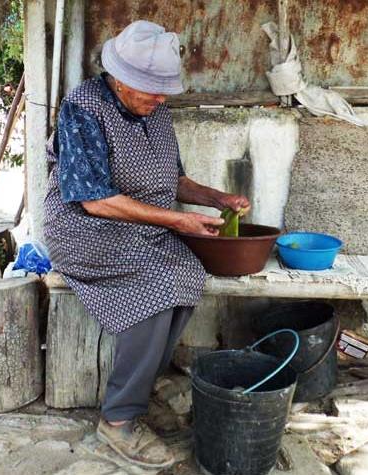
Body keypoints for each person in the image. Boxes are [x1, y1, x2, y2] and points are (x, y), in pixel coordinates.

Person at [43, 20, 249, 469]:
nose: (160, 99)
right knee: (155, 285)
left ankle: (139, 389)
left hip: (144, 228)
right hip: (84, 229)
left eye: (163, 91)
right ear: (120, 79)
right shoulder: (83, 108)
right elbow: (94, 200)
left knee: (188, 274)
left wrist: (219, 198)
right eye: (151, 90)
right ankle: (118, 420)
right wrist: (179, 220)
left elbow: (173, 179)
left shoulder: (154, 111)